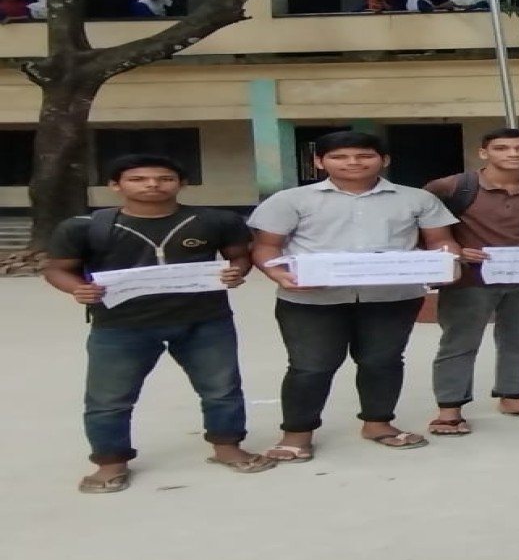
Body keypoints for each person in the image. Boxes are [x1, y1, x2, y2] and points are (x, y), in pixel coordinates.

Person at [45, 155, 272, 493]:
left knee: (222, 389)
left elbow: (238, 255)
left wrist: (236, 272)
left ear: (182, 184)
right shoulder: (85, 227)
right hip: (121, 325)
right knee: (109, 399)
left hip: (205, 320)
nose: (153, 184)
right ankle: (110, 462)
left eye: (165, 178)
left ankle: (227, 447)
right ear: (115, 185)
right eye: (138, 179)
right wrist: (78, 289)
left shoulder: (215, 221)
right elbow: (57, 269)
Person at [248, 130, 458, 460]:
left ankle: (378, 424)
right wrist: (278, 274)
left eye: (364, 155)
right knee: (310, 367)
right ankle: (297, 434)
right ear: (320, 162)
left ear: (384, 160)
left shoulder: (416, 199)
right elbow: (265, 246)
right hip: (311, 299)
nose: (353, 162)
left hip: (392, 296)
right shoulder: (290, 200)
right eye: (340, 157)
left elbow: (439, 240)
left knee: (382, 362)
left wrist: (448, 263)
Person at [423, 128, 519, 435]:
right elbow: (425, 227)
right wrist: (455, 251)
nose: (513, 154)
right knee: (459, 344)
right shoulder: (451, 187)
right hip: (469, 279)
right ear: (484, 152)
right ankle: (449, 409)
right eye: (502, 148)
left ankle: (512, 396)